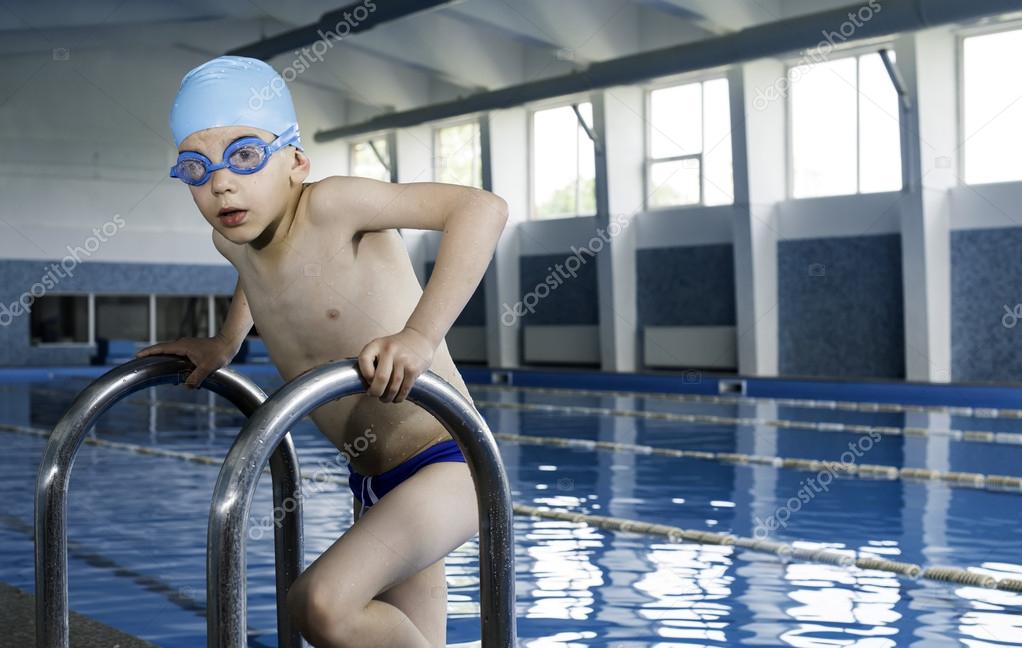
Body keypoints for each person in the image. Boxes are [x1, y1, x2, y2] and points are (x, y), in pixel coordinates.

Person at [136, 55, 508, 647]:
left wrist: (419, 335)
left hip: (446, 462)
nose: (221, 183)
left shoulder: (333, 205)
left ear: (296, 162)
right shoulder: (233, 240)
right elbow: (256, 279)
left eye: (245, 156)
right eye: (195, 168)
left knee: (321, 605)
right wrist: (227, 342)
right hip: (374, 478)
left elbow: (480, 209)